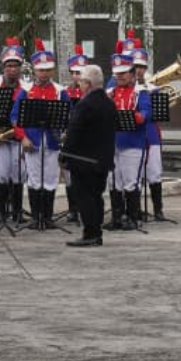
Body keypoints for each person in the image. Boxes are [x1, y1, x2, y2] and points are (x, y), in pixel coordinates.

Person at [11, 39, 69, 230]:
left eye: (47, 69)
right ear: (35, 70)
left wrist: (64, 133)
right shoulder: (26, 91)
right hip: (32, 141)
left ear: (52, 70)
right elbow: (14, 117)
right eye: (40, 70)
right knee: (34, 178)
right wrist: (23, 137)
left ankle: (48, 217)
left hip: (52, 141)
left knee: (51, 178)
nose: (44, 73)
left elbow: (68, 116)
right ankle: (36, 217)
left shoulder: (60, 91)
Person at [62, 65, 116, 247]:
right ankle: (97, 232)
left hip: (83, 161)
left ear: (88, 84)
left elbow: (74, 132)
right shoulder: (109, 103)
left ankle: (90, 233)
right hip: (103, 160)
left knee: (84, 197)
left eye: (82, 82)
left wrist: (64, 154)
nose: (80, 85)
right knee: (97, 196)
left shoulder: (85, 104)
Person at [108, 49, 151, 231]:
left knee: (130, 181)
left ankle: (133, 217)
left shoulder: (140, 92)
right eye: (117, 73)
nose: (120, 76)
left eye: (124, 73)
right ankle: (117, 218)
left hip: (133, 142)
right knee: (114, 181)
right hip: (112, 143)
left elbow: (146, 112)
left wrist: (138, 116)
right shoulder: (110, 92)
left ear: (132, 74)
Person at [0, 37, 28, 223]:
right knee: (2, 173)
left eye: (16, 66)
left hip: (19, 137)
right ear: (3, 67)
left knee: (19, 173)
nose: (12, 69)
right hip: (1, 138)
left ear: (20, 67)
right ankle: (2, 211)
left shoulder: (26, 87)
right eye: (9, 66)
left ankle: (17, 211)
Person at [130, 36, 168, 222]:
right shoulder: (124, 88)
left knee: (154, 172)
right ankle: (135, 210)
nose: (139, 70)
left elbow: (156, 114)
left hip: (151, 135)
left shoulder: (153, 88)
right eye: (136, 66)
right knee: (134, 175)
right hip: (133, 135)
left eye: (142, 67)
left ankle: (158, 210)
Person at [63, 44, 91, 224]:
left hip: (86, 139)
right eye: (73, 72)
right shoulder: (65, 93)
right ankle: (73, 209)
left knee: (85, 175)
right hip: (70, 137)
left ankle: (85, 208)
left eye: (80, 73)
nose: (76, 76)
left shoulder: (92, 94)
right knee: (68, 175)